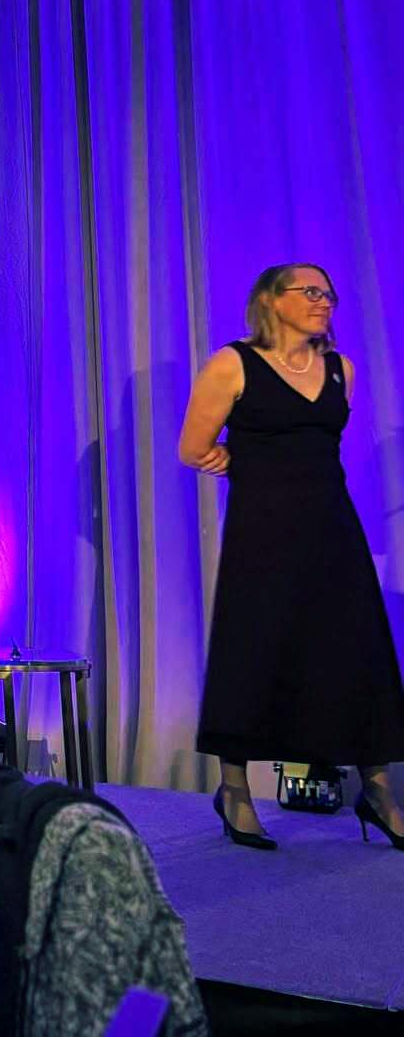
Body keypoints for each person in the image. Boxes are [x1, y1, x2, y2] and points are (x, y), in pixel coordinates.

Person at [178, 262, 404, 850]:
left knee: (357, 648)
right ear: (272, 300)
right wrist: (249, 467)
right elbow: (193, 448)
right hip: (262, 532)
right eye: (310, 291)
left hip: (333, 526)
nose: (324, 300)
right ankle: (235, 790)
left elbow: (318, 446)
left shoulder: (340, 369)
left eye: (329, 293)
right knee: (252, 648)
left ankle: (377, 790)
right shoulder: (233, 364)